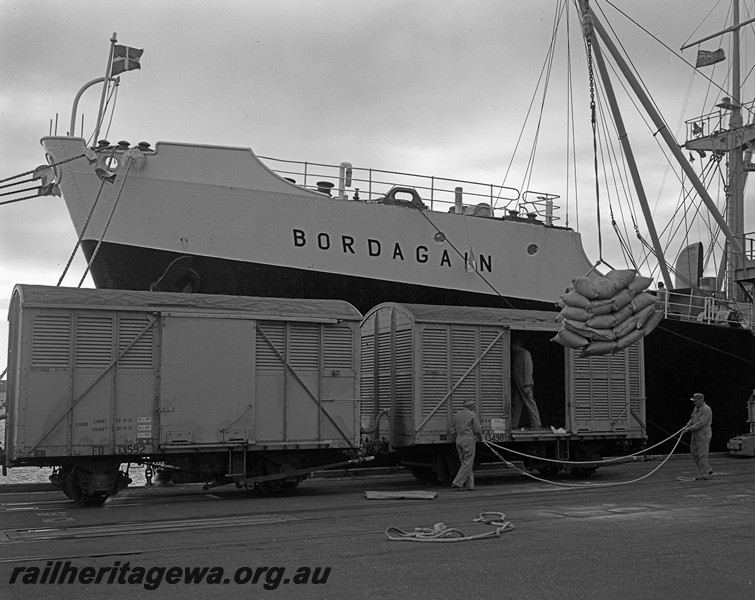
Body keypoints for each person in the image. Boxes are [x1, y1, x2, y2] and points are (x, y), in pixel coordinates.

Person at [450, 399, 482, 491]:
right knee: (467, 463)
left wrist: (455, 437)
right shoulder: (473, 415)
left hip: (459, 439)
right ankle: (457, 482)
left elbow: (452, 429)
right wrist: (480, 438)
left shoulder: (456, 415)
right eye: (473, 406)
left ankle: (470, 485)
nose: (474, 407)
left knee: (465, 463)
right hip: (468, 439)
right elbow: (477, 430)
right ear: (470, 406)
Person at [511, 337, 542, 429]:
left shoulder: (525, 353)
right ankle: (513, 424)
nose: (512, 347)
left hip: (524, 385)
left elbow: (528, 369)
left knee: (530, 403)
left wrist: (527, 384)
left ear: (517, 345)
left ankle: (536, 424)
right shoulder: (518, 354)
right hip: (518, 385)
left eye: (513, 345)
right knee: (516, 404)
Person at [685, 392, 713, 480]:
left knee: (702, 455)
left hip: (703, 435)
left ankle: (704, 474)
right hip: (695, 435)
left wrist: (689, 429)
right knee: (694, 452)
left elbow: (701, 423)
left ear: (701, 400)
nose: (694, 403)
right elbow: (692, 418)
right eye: (694, 401)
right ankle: (707, 468)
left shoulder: (706, 409)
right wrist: (687, 425)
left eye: (696, 401)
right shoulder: (696, 408)